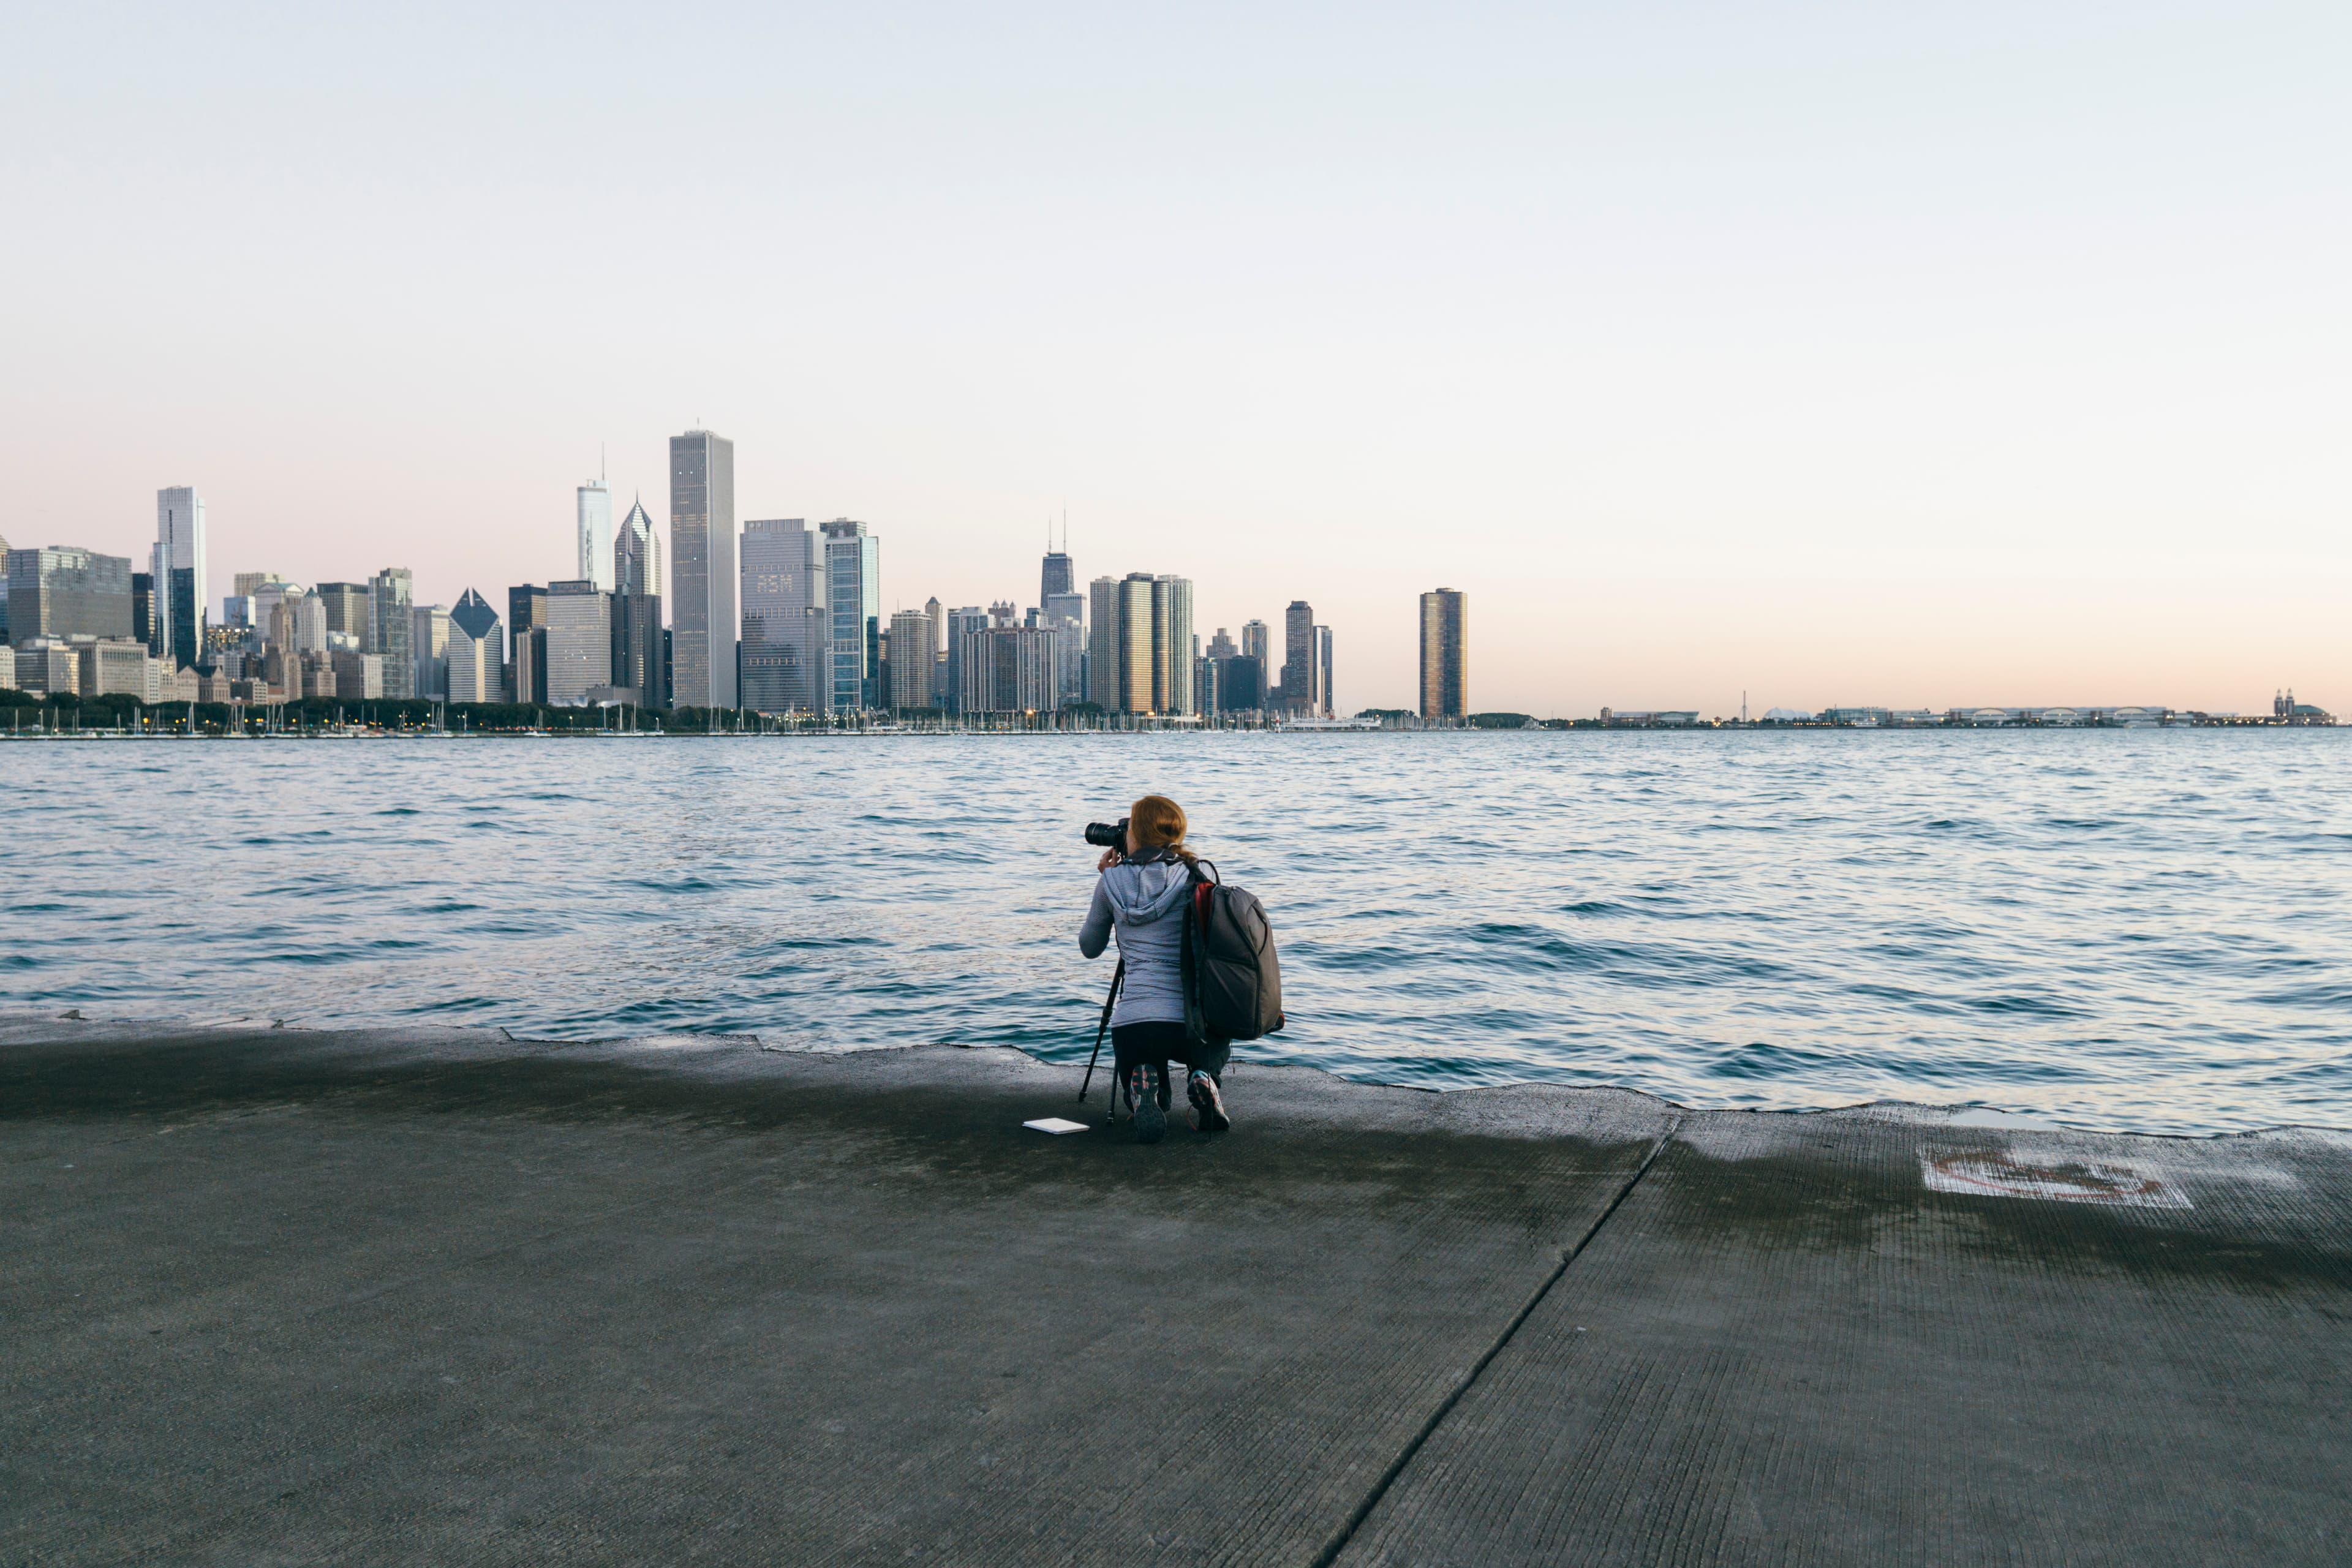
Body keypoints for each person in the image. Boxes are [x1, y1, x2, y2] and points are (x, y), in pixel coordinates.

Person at [1079, 793, 1232, 1144]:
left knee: (1147, 1077)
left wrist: (1108, 880)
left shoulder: (1111, 882)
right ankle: (1203, 1077)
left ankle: (1144, 1084)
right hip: (1194, 1026)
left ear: (1137, 833)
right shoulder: (1200, 873)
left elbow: (1090, 947)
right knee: (1207, 1050)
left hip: (1134, 1025)